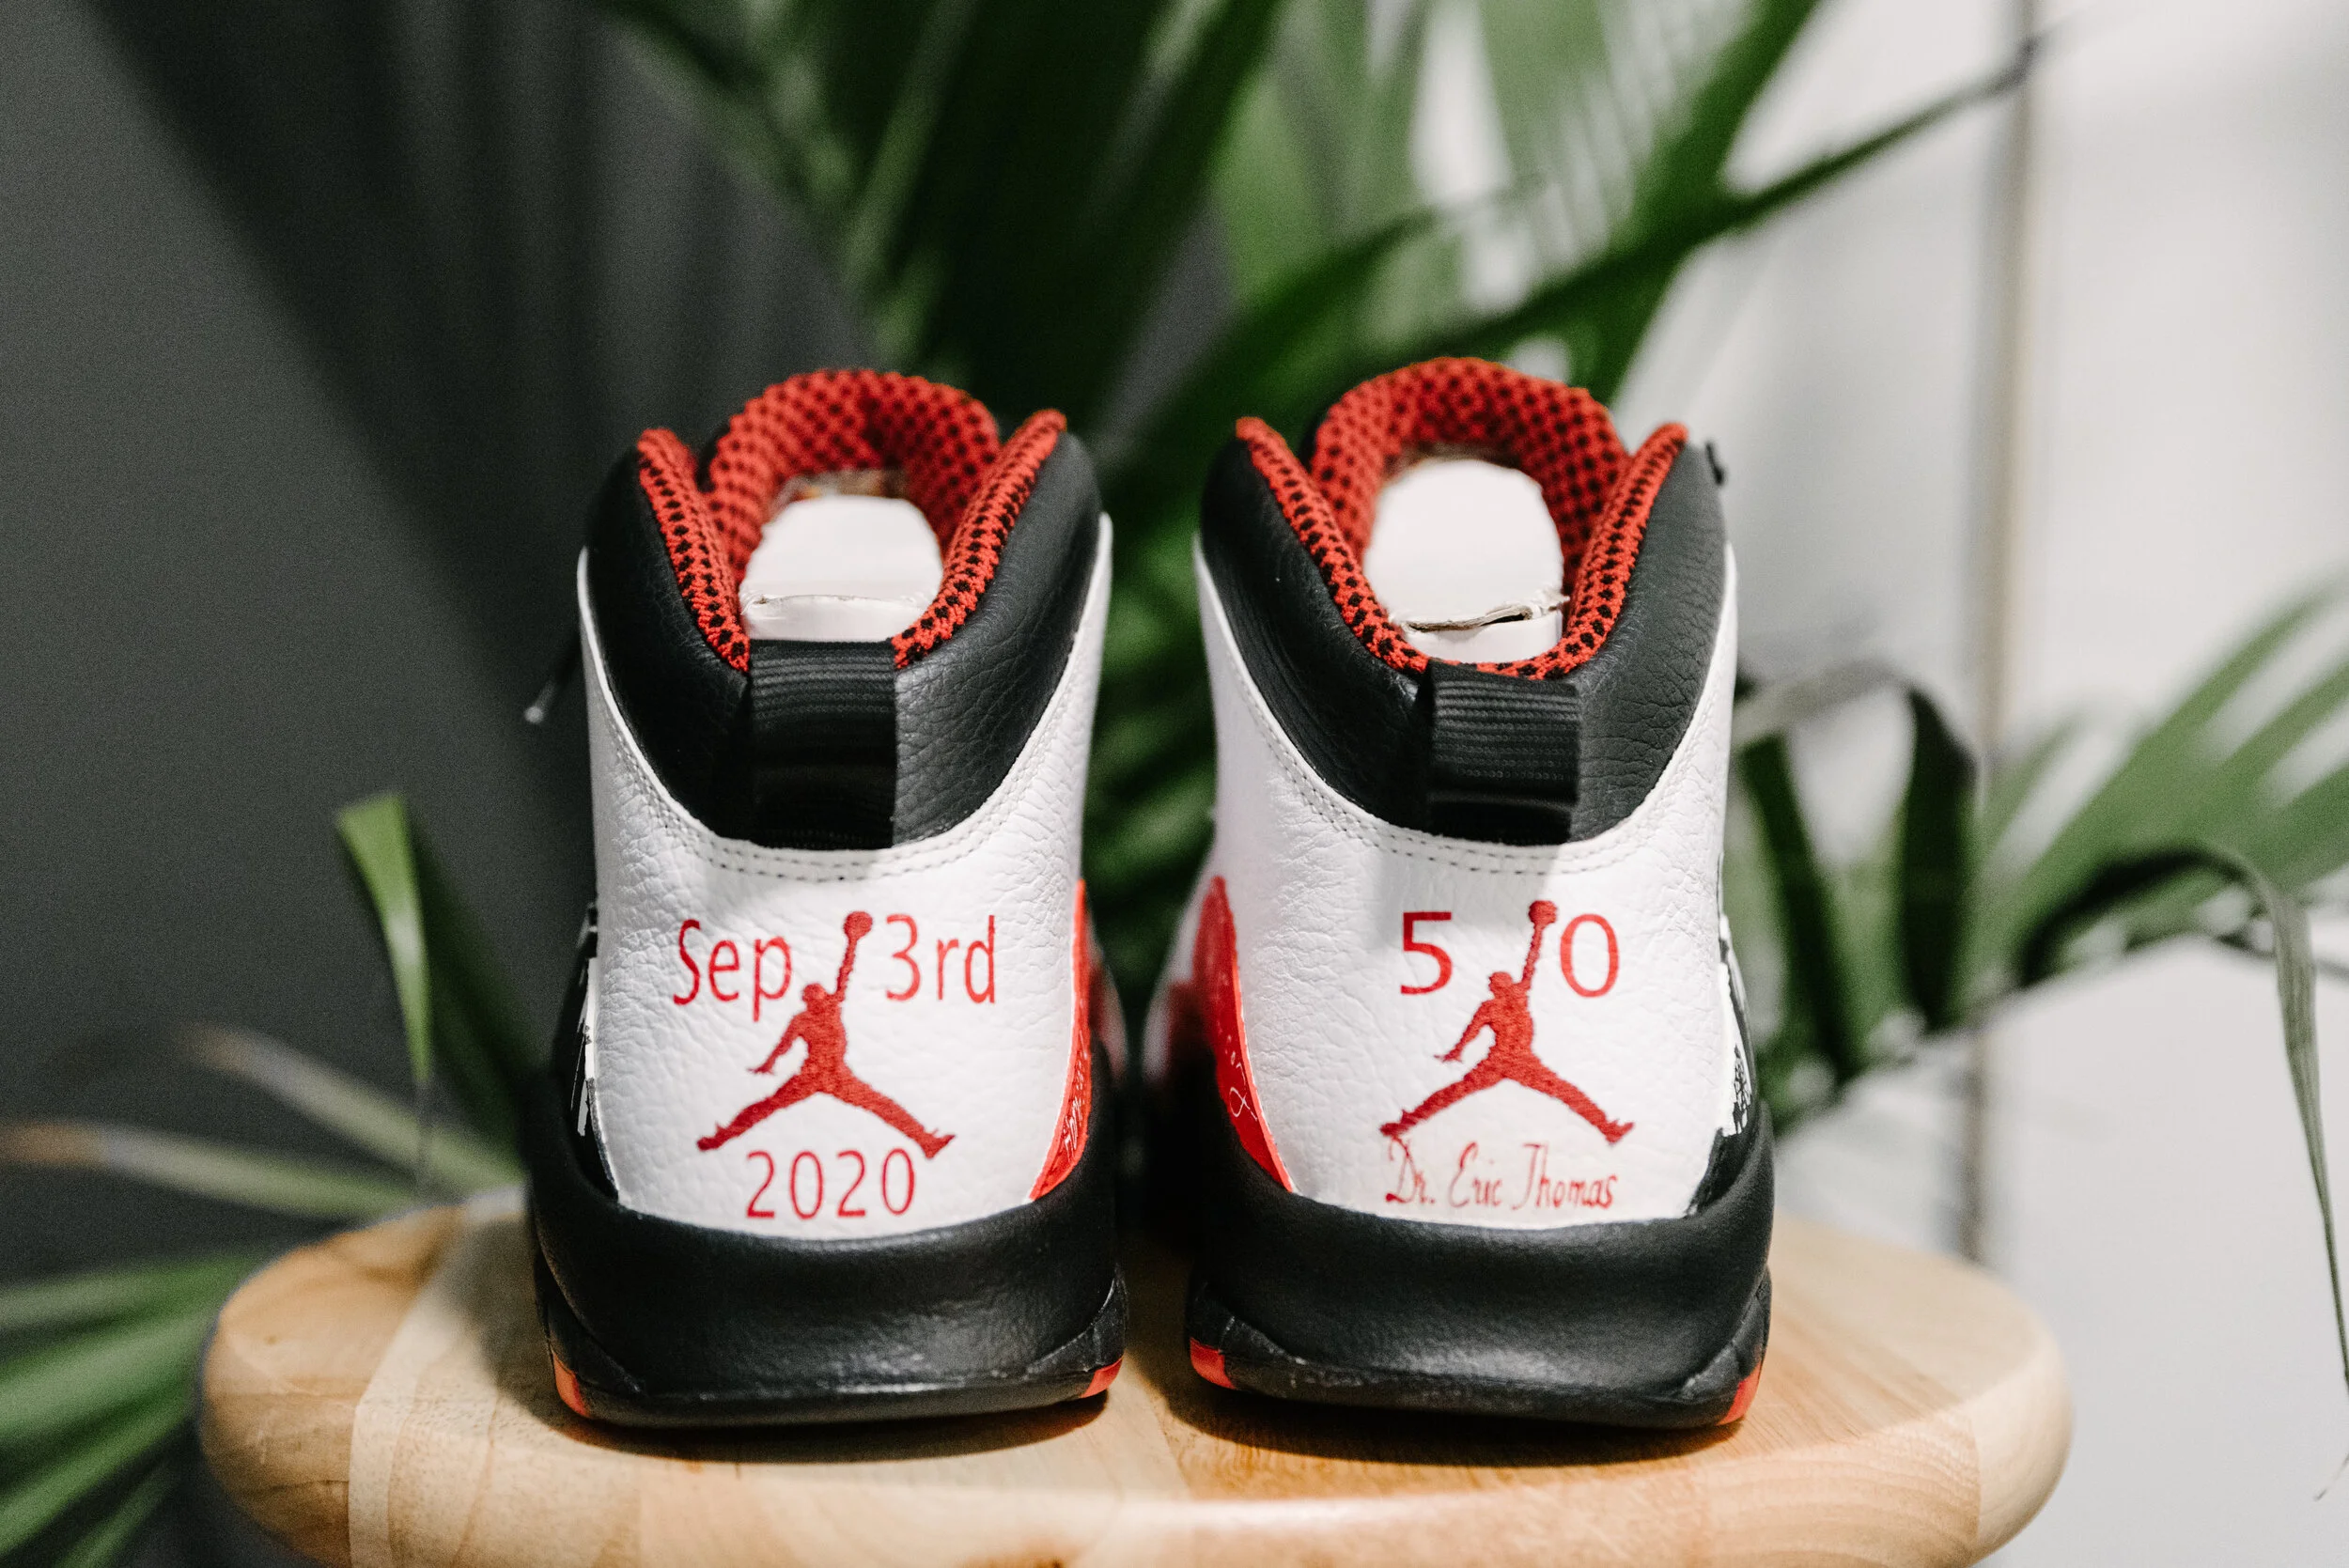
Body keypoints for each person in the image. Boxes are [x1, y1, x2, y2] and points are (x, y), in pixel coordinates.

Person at [699, 910, 955, 1157]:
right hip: (815, 1073)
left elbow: (844, 972)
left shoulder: (826, 1008)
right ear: (811, 999)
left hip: (835, 1073)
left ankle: (926, 1141)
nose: (821, 994)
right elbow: (784, 1045)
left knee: (880, 1106)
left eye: (820, 991)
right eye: (816, 993)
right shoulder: (809, 1016)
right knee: (767, 1107)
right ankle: (720, 1138)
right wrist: (768, 1063)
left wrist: (853, 941)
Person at [1381, 899, 1632, 1144]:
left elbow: (1530, 962)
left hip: (1515, 1060)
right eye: (1499, 983)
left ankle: (1607, 1128)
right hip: (1508, 1060)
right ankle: (1404, 1125)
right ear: (1498, 987)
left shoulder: (1511, 998)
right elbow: (1473, 1030)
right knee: (1564, 1093)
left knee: (1455, 1093)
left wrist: (1539, 929)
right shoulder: (1504, 1001)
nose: (1500, 985)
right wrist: (1457, 1050)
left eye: (1500, 982)